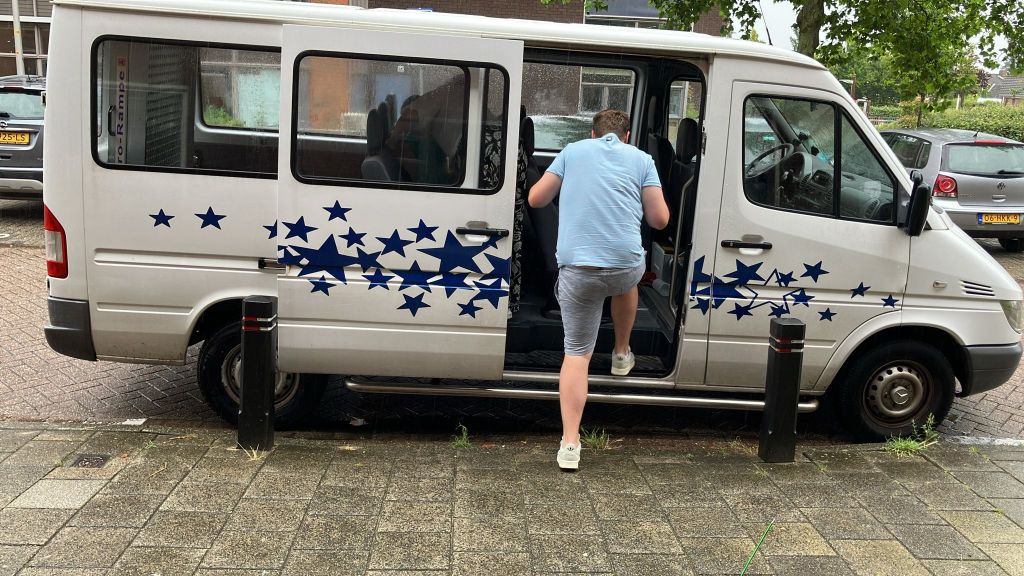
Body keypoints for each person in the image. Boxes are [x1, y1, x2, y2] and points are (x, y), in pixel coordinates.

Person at [528, 109, 669, 471]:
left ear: (592, 134)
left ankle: (570, 444)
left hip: (579, 271)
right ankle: (621, 353)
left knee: (576, 353)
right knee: (629, 277)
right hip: (624, 268)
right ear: (626, 137)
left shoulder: (572, 151)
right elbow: (659, 220)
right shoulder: (642, 160)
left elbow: (536, 199)